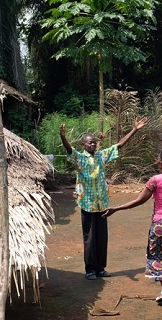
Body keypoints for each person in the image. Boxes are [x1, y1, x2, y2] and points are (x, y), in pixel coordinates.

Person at [102, 147, 162, 306]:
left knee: (156, 256)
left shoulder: (155, 180)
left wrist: (116, 209)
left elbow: (138, 201)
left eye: (158, 157)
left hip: (160, 224)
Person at [60, 118, 147, 280]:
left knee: (102, 238)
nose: (92, 145)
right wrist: (63, 137)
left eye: (94, 143)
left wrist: (135, 129)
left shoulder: (102, 156)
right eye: (89, 143)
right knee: (90, 238)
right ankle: (90, 269)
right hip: (87, 204)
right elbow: (69, 149)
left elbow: (119, 145)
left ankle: (101, 268)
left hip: (102, 204)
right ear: (83, 145)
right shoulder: (80, 158)